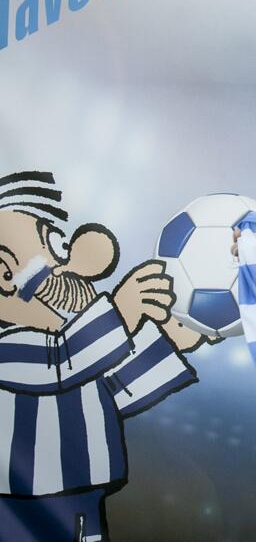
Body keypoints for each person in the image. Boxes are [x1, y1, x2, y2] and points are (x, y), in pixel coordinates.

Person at [0, 171, 206, 541]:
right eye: (48, 250)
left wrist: (174, 339)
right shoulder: (8, 347)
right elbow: (60, 362)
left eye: (57, 245)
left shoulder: (80, 351)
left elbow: (114, 389)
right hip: (18, 504)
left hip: (83, 497)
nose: (67, 265)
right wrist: (123, 310)